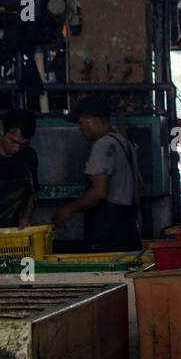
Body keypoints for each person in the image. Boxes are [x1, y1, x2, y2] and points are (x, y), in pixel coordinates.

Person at [53, 95, 141, 251]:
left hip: (107, 235)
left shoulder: (103, 145)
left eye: (81, 122)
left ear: (93, 120)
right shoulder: (124, 143)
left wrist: (67, 209)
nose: (80, 128)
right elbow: (138, 187)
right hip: (128, 230)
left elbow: (99, 192)